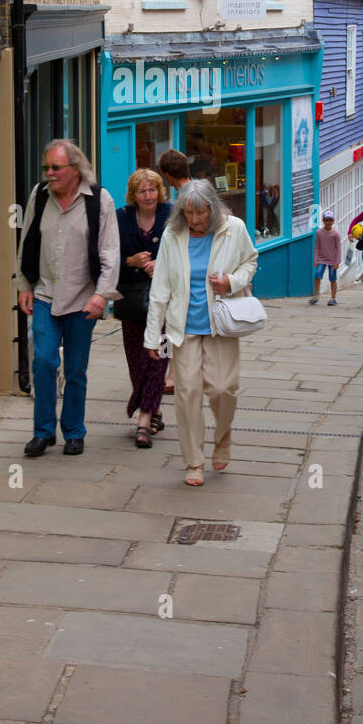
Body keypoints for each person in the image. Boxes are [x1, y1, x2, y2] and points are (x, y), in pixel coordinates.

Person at [144, 180, 257, 487]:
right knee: (188, 394)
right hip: (185, 329)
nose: (194, 219)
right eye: (189, 213)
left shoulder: (233, 228)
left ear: (213, 208)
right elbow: (161, 287)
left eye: (200, 212)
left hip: (221, 326)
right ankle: (194, 461)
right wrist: (153, 336)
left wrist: (231, 282)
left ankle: (222, 437)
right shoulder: (172, 234)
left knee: (223, 390)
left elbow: (251, 260)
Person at [16, 140, 120, 457]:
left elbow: (110, 253)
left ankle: (74, 432)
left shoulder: (99, 200)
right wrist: (23, 284)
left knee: (76, 370)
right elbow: (27, 240)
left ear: (75, 170)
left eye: (55, 168)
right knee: (44, 361)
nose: (49, 173)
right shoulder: (40, 195)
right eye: (46, 167)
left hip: (82, 300)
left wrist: (102, 295)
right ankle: (43, 432)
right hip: (45, 294)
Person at [116, 169, 171, 447]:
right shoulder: (121, 217)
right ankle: (155, 409)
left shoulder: (172, 215)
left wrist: (159, 265)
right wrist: (131, 262)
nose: (148, 196)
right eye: (142, 191)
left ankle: (143, 420)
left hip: (166, 304)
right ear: (133, 195)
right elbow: (108, 257)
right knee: (137, 361)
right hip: (132, 302)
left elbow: (184, 254)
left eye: (152, 190)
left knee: (158, 359)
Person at [156, 150, 190, 395]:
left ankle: (173, 377)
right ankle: (172, 374)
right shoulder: (196, 191)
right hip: (186, 271)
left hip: (184, 274)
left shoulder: (185, 199)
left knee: (175, 325)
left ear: (168, 175)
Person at [310, 210, 341, 305]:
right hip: (321, 259)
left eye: (330, 220)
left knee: (332, 279)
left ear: (333, 221)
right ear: (323, 220)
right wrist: (316, 259)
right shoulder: (319, 232)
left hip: (332, 260)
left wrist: (337, 262)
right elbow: (316, 247)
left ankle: (333, 298)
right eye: (326, 220)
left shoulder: (335, 234)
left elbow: (338, 248)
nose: (328, 222)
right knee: (317, 276)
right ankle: (315, 296)